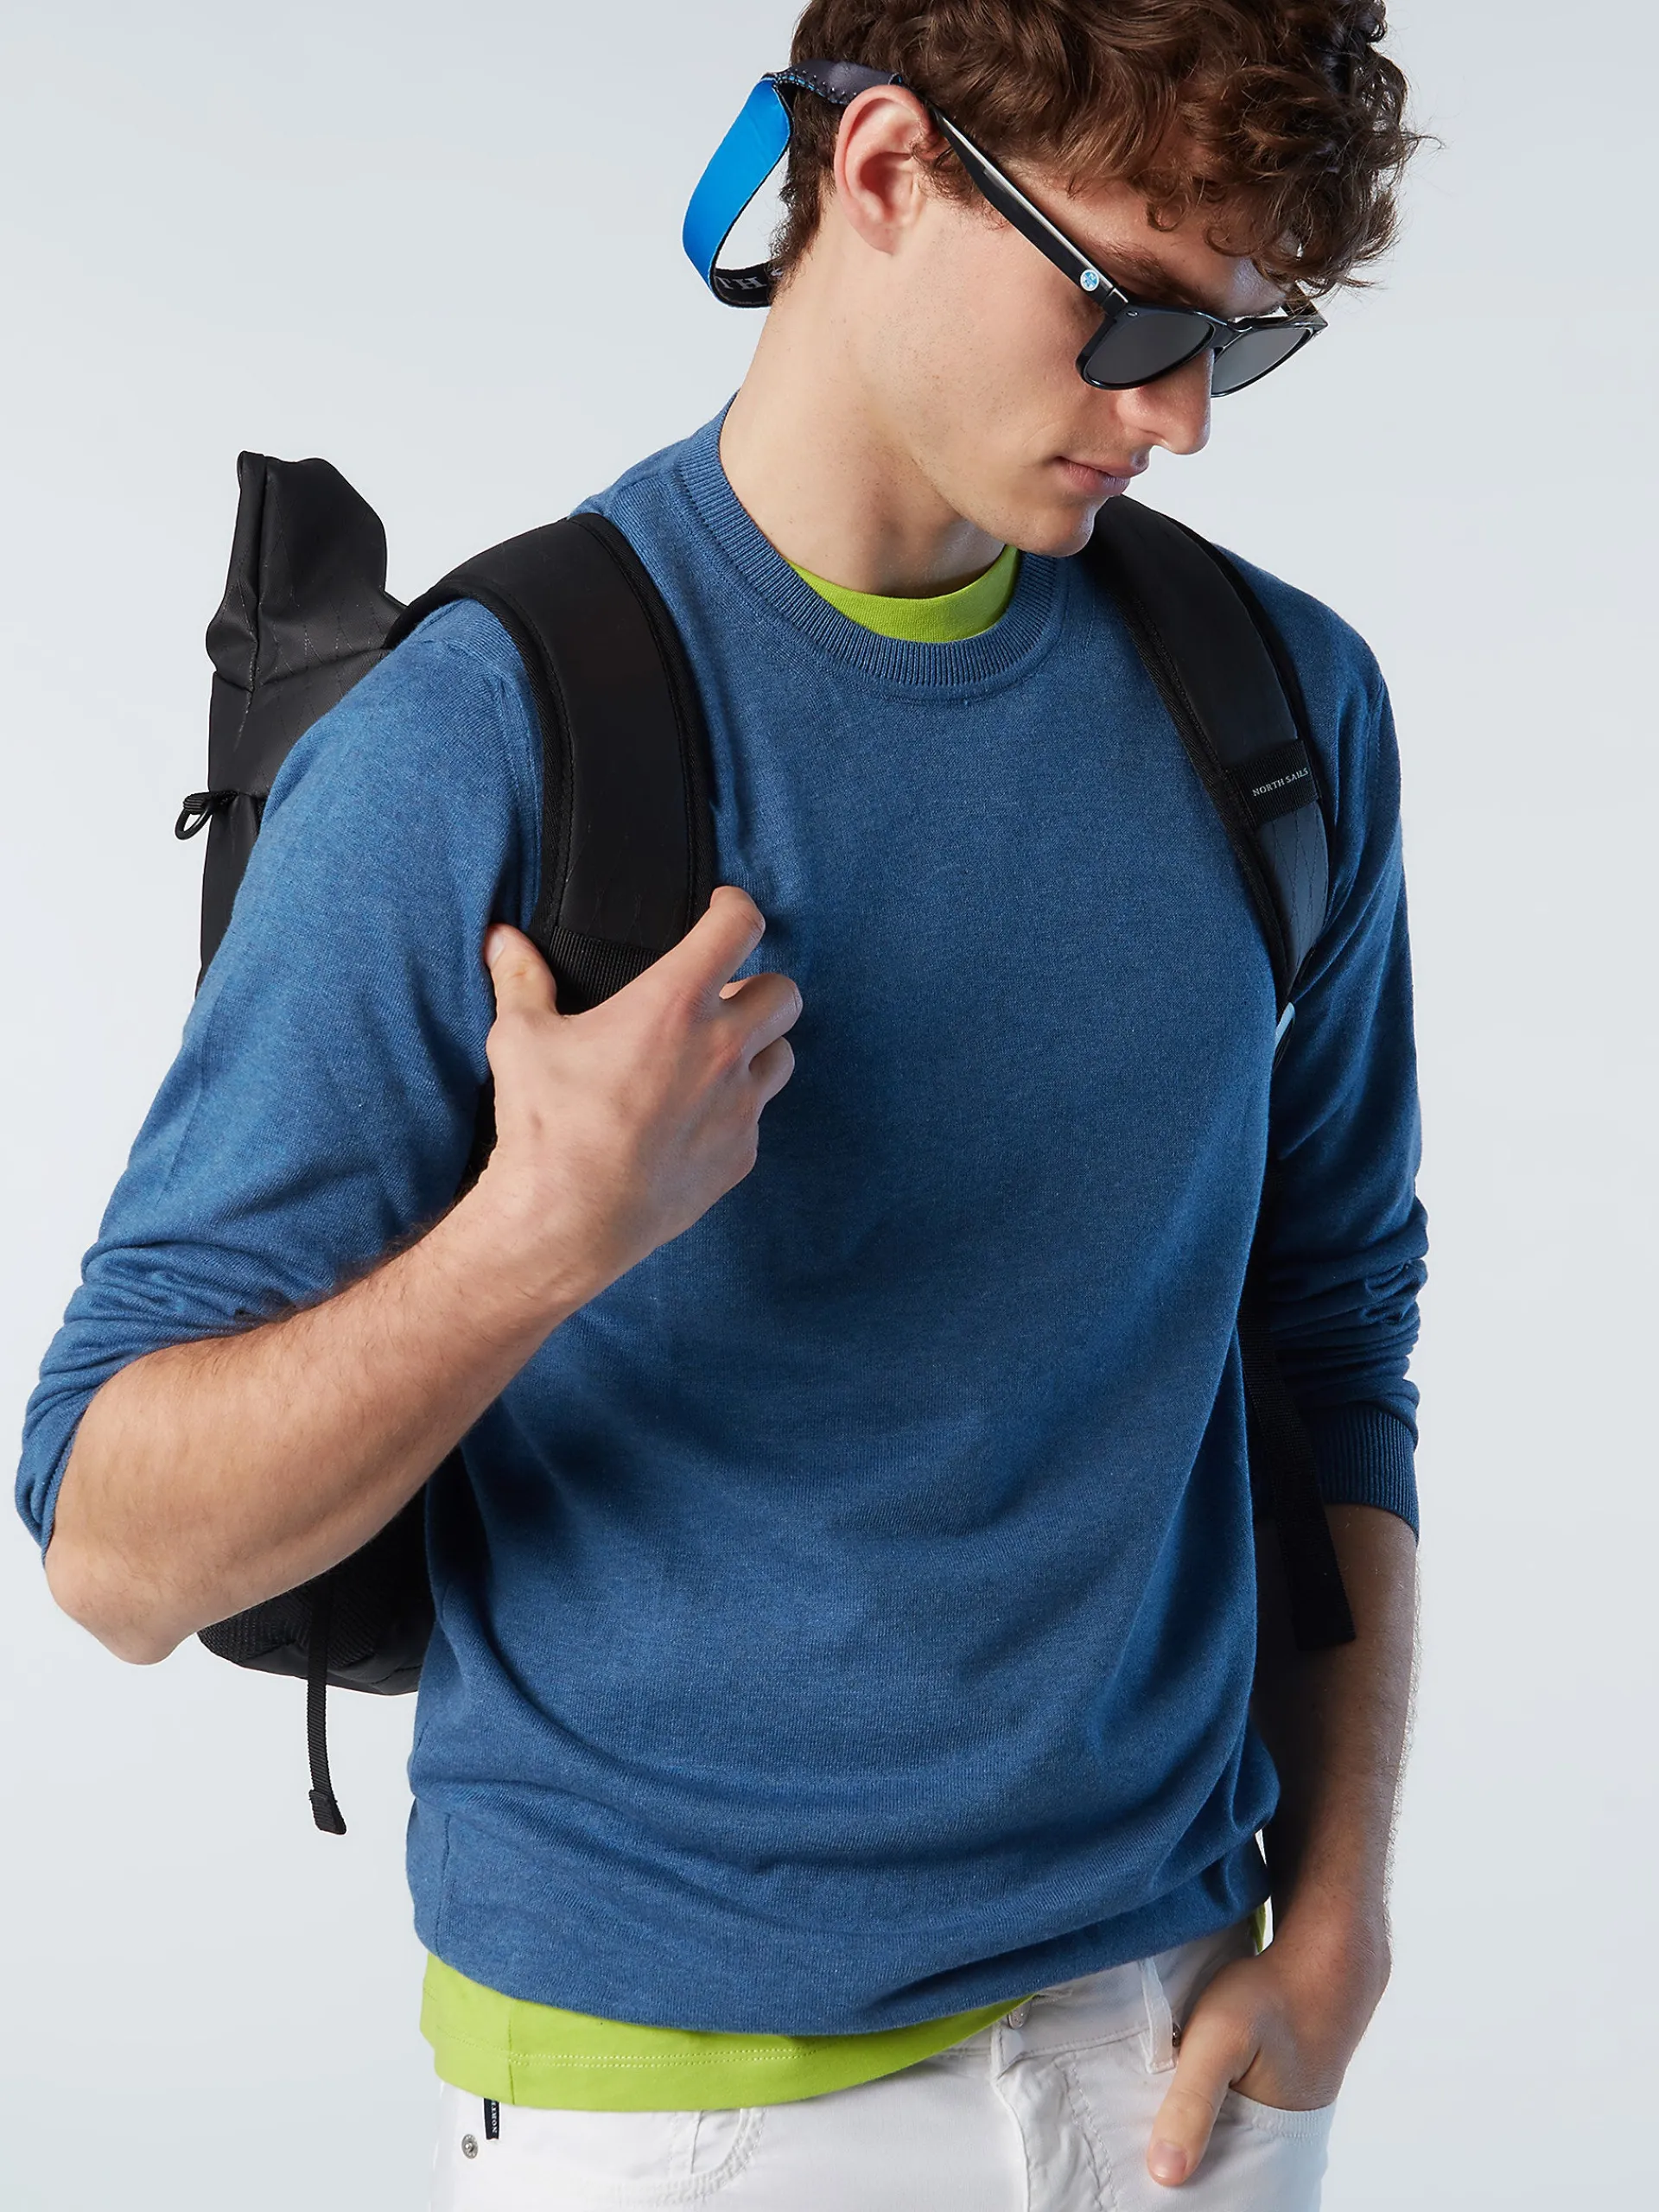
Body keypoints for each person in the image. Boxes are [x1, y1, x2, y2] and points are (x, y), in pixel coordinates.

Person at [17, 2, 1427, 2205]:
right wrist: (537, 1235)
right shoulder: (482, 740)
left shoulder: (1278, 708)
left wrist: (1337, 1909)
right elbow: (109, 1543)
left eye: (1236, 342)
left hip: (1183, 2050)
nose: (1175, 415)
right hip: (682, 2109)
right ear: (885, 172)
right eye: (1138, 311)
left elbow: (1336, 1318)